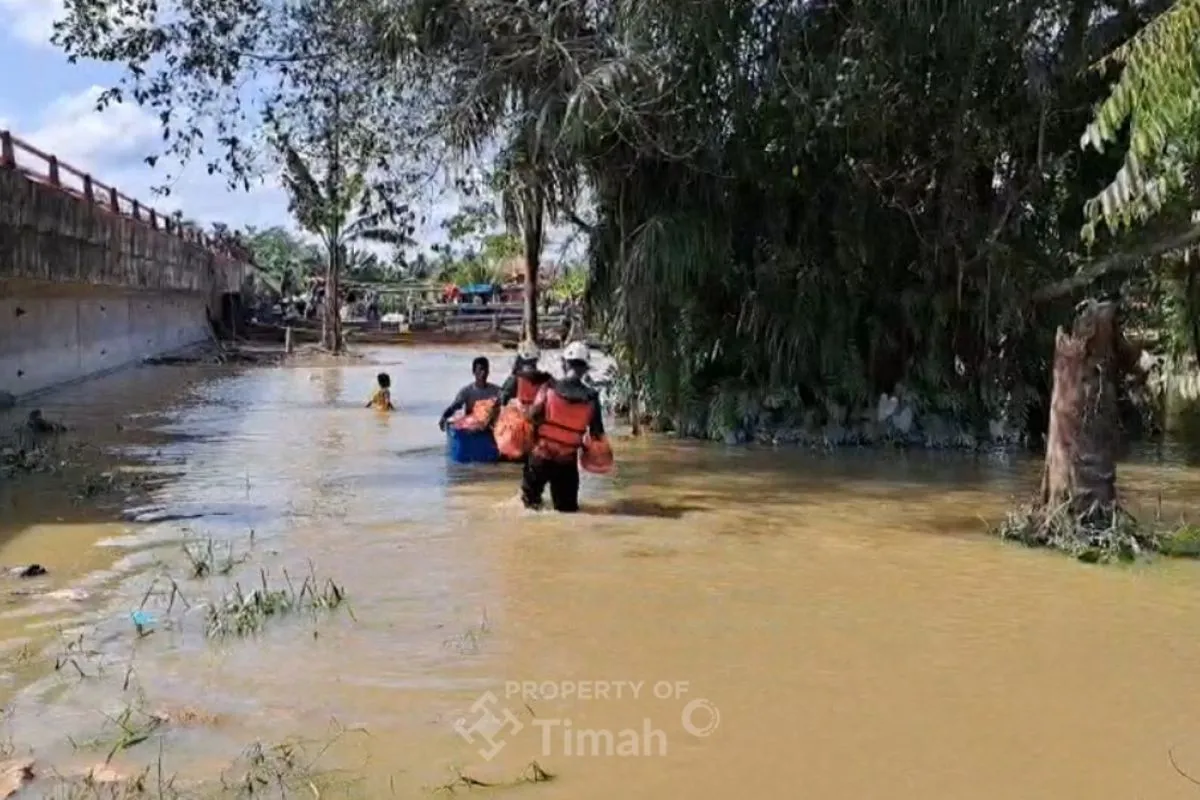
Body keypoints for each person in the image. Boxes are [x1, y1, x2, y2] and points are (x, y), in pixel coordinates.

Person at [521, 342, 604, 513]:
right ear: (585, 369)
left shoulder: (548, 387)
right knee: (567, 511)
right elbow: (597, 434)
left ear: (565, 363)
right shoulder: (592, 398)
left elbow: (532, 416)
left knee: (529, 506)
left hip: (540, 458)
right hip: (567, 463)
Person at [439, 356, 502, 431]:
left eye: (486, 369)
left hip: (490, 428)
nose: (483, 373)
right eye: (480, 369)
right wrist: (444, 417)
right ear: (474, 372)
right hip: (471, 429)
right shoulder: (467, 391)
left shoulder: (496, 391)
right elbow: (455, 406)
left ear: (488, 371)